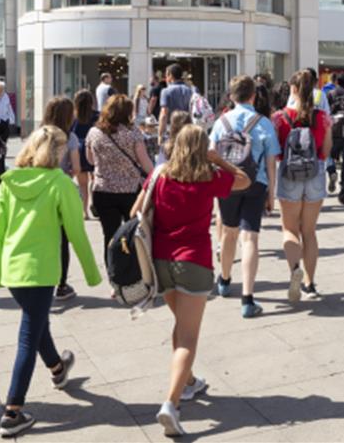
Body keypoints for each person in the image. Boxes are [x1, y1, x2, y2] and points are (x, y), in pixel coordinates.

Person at [131, 124, 249, 436]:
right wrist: (219, 159)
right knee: (188, 338)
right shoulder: (209, 177)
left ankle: (188, 382)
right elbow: (245, 181)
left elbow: (136, 212)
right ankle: (170, 404)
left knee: (180, 327)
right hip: (194, 261)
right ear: (202, 148)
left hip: (160, 261)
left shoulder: (160, 174)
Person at [0, 125, 102, 437]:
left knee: (37, 325)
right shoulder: (60, 183)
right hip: (39, 271)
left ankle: (57, 368)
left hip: (14, 269)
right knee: (29, 335)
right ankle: (13, 411)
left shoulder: (9, 181)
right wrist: (93, 274)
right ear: (56, 152)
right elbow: (76, 232)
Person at [209, 75, 280, 318]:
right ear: (253, 96)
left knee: (228, 233)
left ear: (231, 96)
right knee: (250, 239)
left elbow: (211, 154)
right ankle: (248, 298)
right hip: (255, 183)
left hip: (228, 184)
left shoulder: (222, 122)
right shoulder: (264, 123)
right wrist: (272, 194)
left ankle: (225, 279)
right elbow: (271, 163)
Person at [272, 70, 334, 303]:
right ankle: (310, 283)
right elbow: (326, 152)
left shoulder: (280, 117)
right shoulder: (323, 118)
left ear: (294, 90)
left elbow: (277, 151)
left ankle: (294, 270)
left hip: (289, 174)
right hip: (315, 174)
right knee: (309, 231)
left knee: (289, 230)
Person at [86, 94, 154, 271]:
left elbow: (91, 160)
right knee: (133, 233)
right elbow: (144, 162)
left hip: (103, 190)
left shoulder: (94, 133)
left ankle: (114, 274)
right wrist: (156, 176)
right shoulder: (133, 133)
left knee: (109, 236)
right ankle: (133, 272)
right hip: (130, 191)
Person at [42, 96, 84, 301]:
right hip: (60, 192)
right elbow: (76, 168)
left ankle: (42, 280)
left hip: (39, 192)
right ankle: (61, 284)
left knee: (42, 237)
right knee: (62, 240)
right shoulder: (70, 137)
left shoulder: (38, 135)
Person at [72, 89, 98, 213]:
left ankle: (84, 212)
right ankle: (94, 203)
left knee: (82, 184)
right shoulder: (97, 115)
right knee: (95, 179)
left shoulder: (73, 117)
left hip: (77, 150)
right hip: (93, 149)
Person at [158, 63, 194, 142]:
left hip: (171, 129)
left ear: (170, 75)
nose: (166, 77)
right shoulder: (189, 90)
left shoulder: (166, 91)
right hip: (187, 129)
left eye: (166, 75)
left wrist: (160, 134)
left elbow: (164, 114)